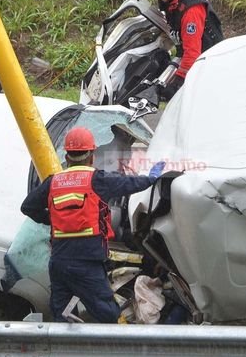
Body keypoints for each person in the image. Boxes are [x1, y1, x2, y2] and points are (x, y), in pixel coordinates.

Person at [21, 127, 165, 323]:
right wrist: (152, 177)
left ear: (67, 156)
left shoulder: (53, 182)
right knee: (108, 314)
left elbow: (27, 207)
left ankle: (62, 351)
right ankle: (118, 349)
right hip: (86, 263)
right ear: (92, 155)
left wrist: (52, 220)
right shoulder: (98, 180)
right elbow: (131, 184)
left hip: (59, 262)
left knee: (61, 315)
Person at [145, 0, 224, 100]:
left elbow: (192, 52)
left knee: (182, 97)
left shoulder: (191, 11)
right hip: (189, 49)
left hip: (206, 57)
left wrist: (177, 82)